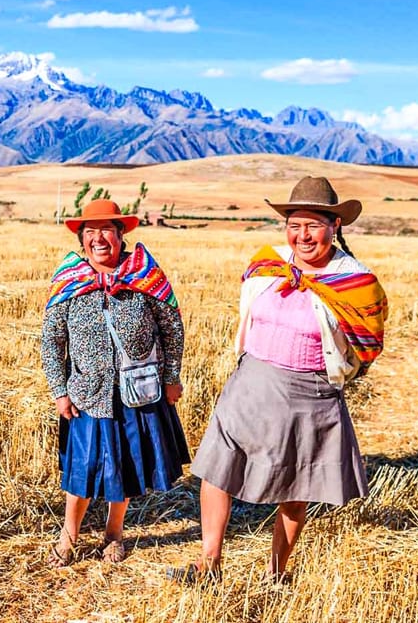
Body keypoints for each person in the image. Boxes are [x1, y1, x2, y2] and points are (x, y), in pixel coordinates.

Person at [168, 176, 388, 584]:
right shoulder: (267, 265)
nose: (303, 235)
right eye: (295, 224)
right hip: (250, 385)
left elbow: (368, 342)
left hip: (309, 396)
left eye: (313, 225)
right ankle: (208, 563)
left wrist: (335, 376)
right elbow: (246, 310)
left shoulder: (355, 282)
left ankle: (277, 572)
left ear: (334, 227)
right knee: (218, 471)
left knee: (294, 486)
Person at [41, 199, 191, 566]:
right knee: (82, 471)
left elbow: (172, 328)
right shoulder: (69, 282)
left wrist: (172, 377)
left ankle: (114, 534)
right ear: (82, 240)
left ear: (121, 234)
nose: (98, 238)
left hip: (136, 392)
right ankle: (68, 537)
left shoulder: (144, 276)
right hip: (87, 394)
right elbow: (51, 339)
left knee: (121, 469)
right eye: (90, 232)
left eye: (106, 230)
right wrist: (60, 390)